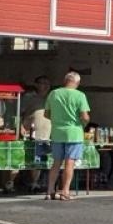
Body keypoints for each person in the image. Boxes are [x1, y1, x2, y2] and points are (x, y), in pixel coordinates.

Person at [44, 71, 91, 201]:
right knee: (69, 163)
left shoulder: (54, 93)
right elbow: (85, 116)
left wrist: (57, 119)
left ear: (65, 81)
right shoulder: (80, 95)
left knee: (56, 163)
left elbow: (46, 114)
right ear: (77, 82)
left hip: (57, 133)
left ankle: (49, 191)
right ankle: (65, 191)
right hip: (74, 133)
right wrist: (84, 123)